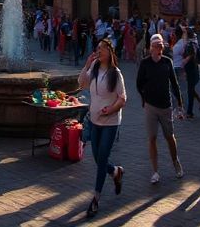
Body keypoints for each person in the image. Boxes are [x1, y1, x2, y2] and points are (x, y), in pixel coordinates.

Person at [78, 38, 126, 217]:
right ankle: (115, 172)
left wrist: (111, 109)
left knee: (102, 159)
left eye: (102, 49)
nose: (99, 51)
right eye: (97, 48)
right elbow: (81, 84)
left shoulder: (116, 73)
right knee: (99, 160)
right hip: (94, 122)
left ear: (110, 52)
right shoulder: (95, 70)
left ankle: (96, 199)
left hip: (110, 123)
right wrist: (86, 65)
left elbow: (123, 98)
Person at [136, 33, 185, 184]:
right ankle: (155, 171)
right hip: (151, 106)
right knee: (152, 138)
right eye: (157, 46)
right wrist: (144, 98)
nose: (160, 48)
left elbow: (175, 84)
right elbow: (139, 83)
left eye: (161, 46)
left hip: (166, 106)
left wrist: (180, 104)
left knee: (169, 137)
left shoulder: (167, 62)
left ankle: (176, 163)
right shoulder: (145, 63)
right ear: (151, 48)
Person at [183, 27, 200, 118]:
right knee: (190, 89)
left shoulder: (189, 45)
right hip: (194, 68)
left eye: (184, 33)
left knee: (190, 90)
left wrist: (186, 60)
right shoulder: (194, 43)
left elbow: (192, 55)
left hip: (191, 69)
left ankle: (189, 112)